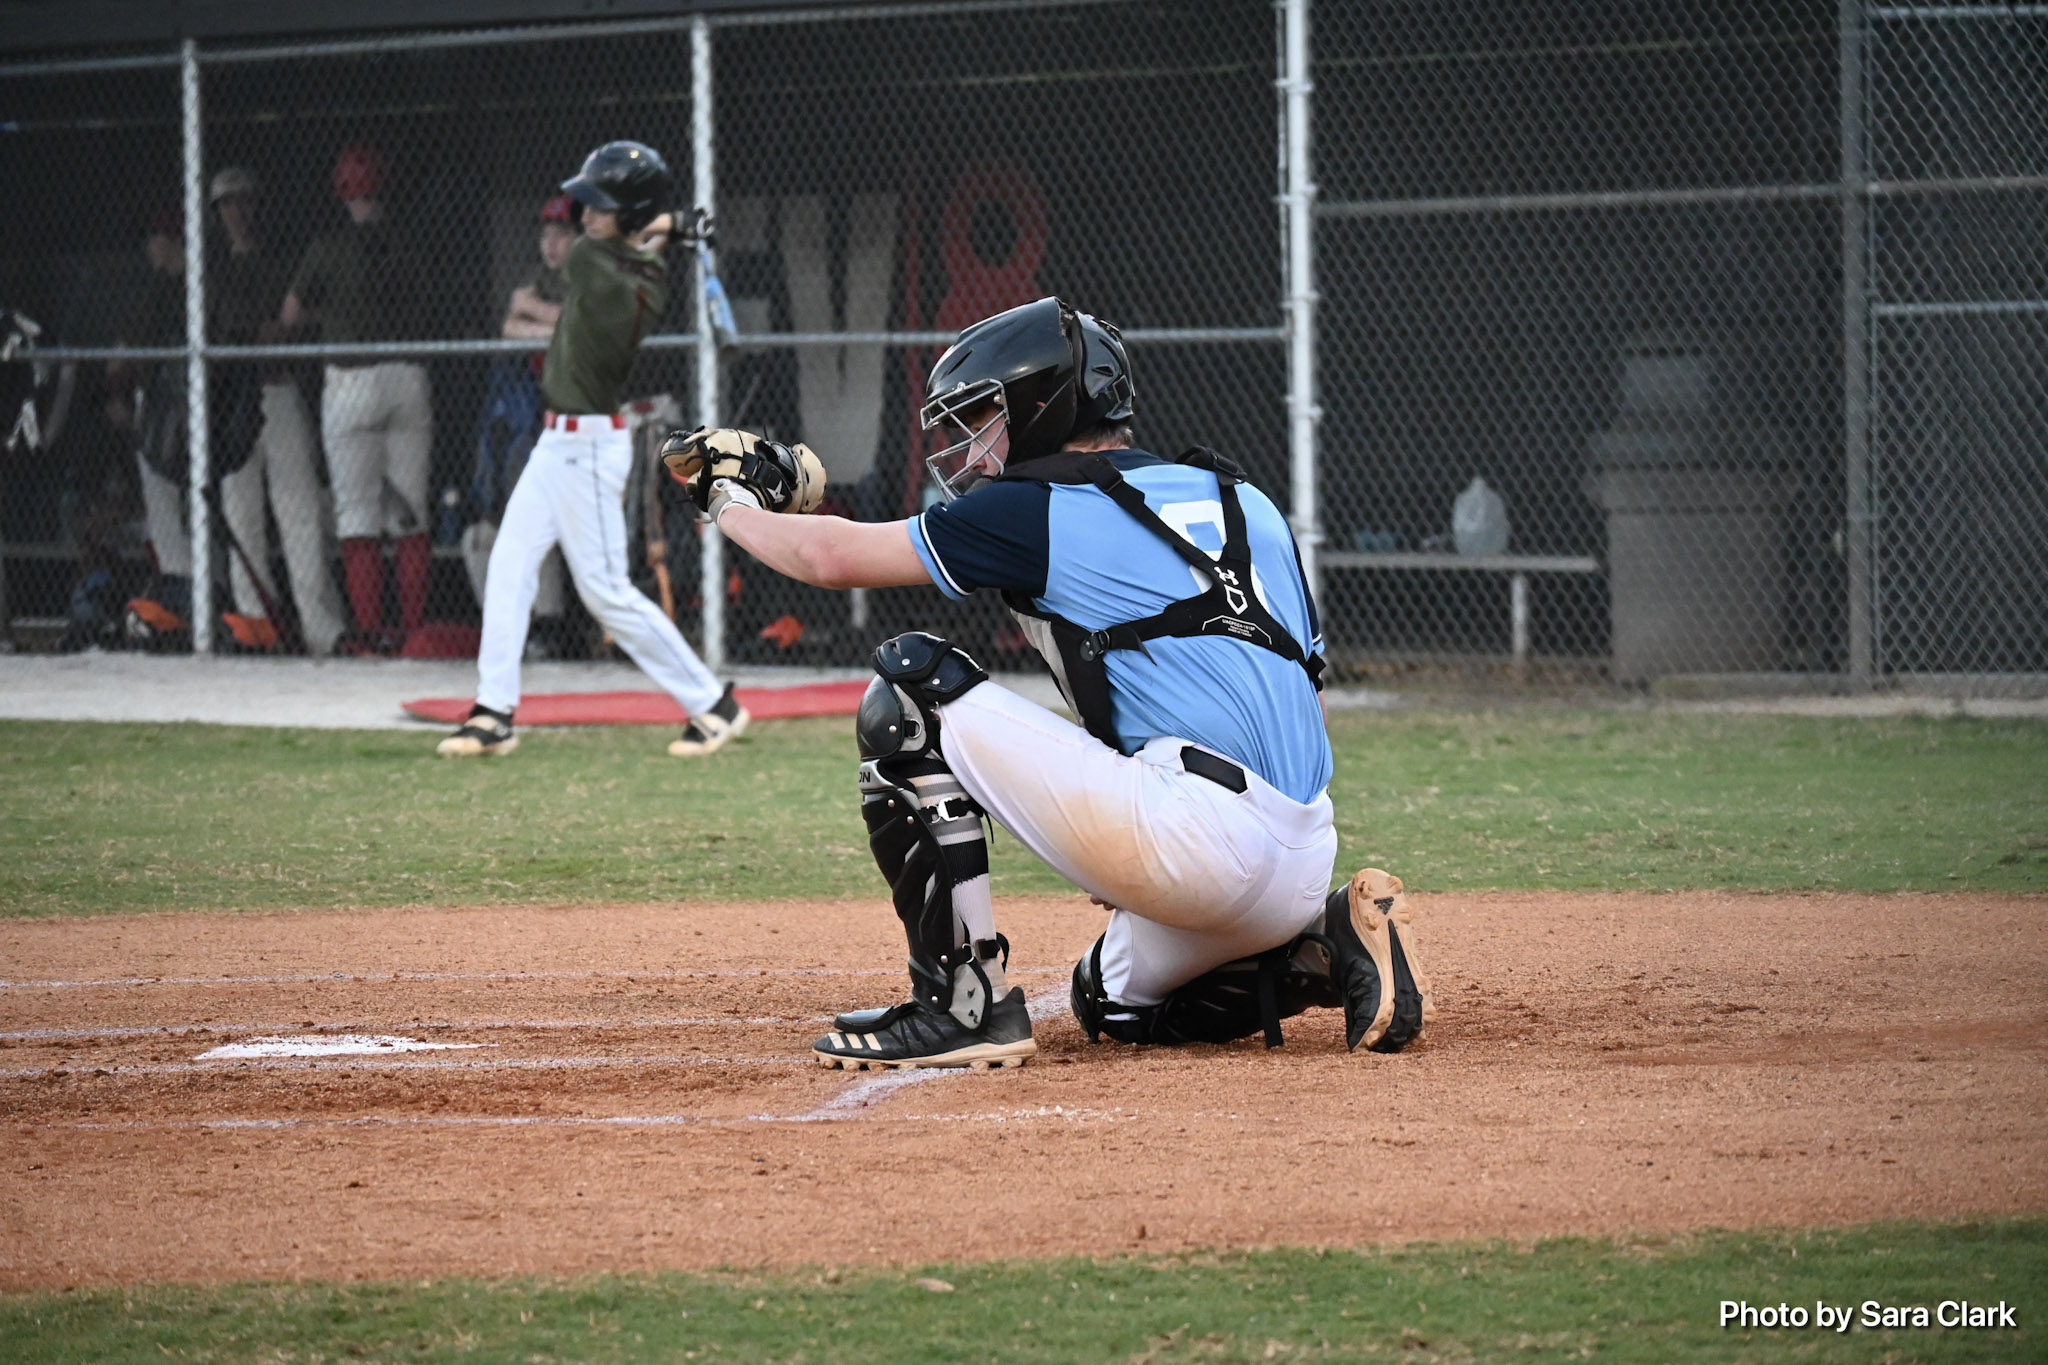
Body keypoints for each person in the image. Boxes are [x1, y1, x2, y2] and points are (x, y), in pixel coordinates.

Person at [660, 296, 1434, 1069]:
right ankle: (1327, 946)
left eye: (984, 417)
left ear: (1043, 406)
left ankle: (962, 1005)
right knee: (1108, 1002)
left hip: (1198, 836)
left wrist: (726, 501)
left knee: (909, 690)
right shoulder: (1246, 497)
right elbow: (1309, 696)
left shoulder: (1038, 506)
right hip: (1305, 851)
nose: (971, 446)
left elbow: (828, 558)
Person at [437, 142, 747, 759]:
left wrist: (662, 224)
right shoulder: (634, 257)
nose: (584, 217)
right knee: (508, 564)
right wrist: (668, 224)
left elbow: (601, 250)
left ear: (630, 218)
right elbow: (636, 242)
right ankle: (493, 712)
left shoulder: (608, 273)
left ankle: (712, 704)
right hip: (556, 444)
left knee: (605, 591)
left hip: (590, 450)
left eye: (601, 207)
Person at [280, 142, 433, 653]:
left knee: (356, 511)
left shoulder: (327, 247)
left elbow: (290, 316)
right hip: (407, 376)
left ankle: (368, 634)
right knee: (410, 511)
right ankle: (412, 635)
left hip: (350, 381)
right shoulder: (409, 243)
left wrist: (329, 312)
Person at [207, 166, 349, 655]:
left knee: (299, 509)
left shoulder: (282, 260)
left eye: (244, 201)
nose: (237, 212)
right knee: (239, 510)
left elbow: (292, 321)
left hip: (278, 389)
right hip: (230, 400)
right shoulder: (212, 269)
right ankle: (255, 626)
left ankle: (320, 628)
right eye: (227, 204)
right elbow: (222, 330)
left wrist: (269, 333)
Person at [458, 194, 577, 652]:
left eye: (562, 233)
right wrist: (546, 324)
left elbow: (583, 325)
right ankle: (518, 629)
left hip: (578, 422)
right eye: (547, 233)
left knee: (545, 521)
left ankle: (553, 626)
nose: (552, 243)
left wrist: (537, 315)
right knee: (487, 530)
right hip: (533, 422)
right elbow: (510, 323)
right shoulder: (541, 280)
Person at [106, 209, 192, 642]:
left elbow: (122, 355)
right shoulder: (155, 291)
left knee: (193, 505)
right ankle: (179, 597)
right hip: (161, 407)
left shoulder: (186, 285)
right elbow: (119, 357)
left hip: (187, 406)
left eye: (159, 237)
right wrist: (118, 391)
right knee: (165, 508)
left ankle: (194, 598)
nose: (151, 246)